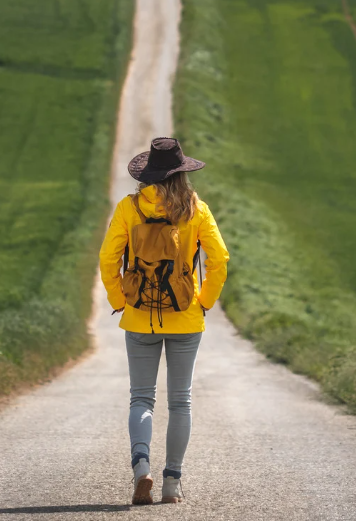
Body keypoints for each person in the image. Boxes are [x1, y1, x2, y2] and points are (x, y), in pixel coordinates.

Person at [99, 137, 229, 506]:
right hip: (185, 316)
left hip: (139, 316)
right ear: (182, 173)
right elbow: (219, 259)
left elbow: (109, 259)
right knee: (181, 401)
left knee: (141, 397)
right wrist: (204, 301)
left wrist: (119, 300)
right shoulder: (195, 208)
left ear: (148, 175)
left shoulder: (129, 208)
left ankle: (142, 469)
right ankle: (172, 482)